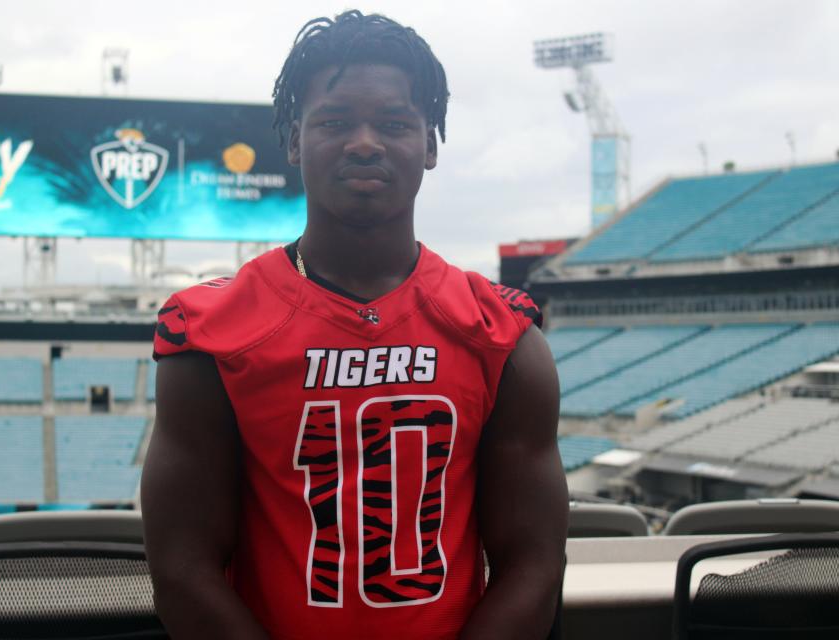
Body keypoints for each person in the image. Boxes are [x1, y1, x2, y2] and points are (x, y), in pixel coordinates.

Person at [142, 10, 568, 639]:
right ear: (293, 141)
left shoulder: (503, 335)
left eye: (394, 123)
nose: (364, 143)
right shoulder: (210, 333)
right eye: (335, 122)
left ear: (429, 144)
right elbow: (182, 568)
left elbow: (533, 564)